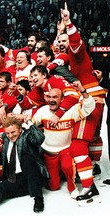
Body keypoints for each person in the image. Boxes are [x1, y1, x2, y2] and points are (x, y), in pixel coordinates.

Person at [59, 3, 105, 204]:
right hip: (95, 98)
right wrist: (61, 31)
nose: (61, 44)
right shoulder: (69, 57)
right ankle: (93, 167)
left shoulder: (76, 52)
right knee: (93, 137)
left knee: (78, 144)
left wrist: (68, 24)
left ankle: (88, 187)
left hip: (90, 101)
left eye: (63, 41)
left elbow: (76, 43)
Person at [32, 83, 95, 199]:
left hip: (65, 151)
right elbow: (31, 124)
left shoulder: (72, 110)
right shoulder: (43, 110)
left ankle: (72, 187)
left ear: (62, 100)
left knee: (67, 165)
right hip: (49, 153)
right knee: (53, 186)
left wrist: (82, 90)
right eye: (49, 97)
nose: (51, 100)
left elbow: (89, 106)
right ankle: (59, 173)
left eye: (55, 97)